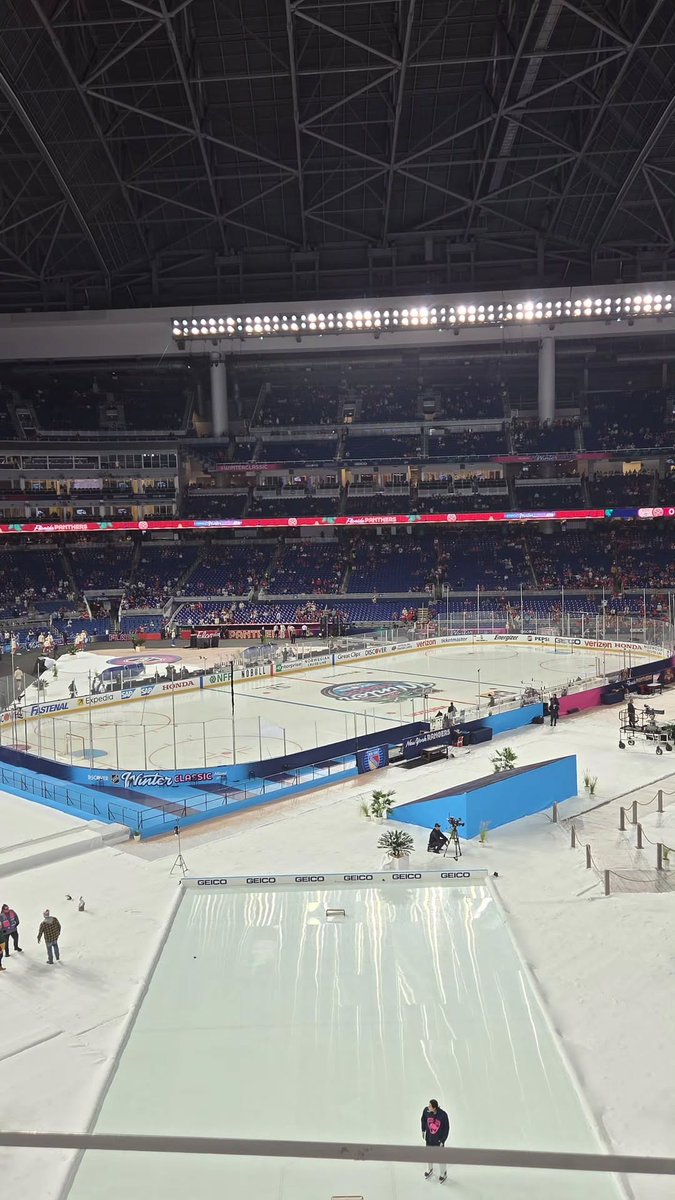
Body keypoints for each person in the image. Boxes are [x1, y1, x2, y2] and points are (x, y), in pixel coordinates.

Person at [421, 1098, 450, 1182]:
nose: (428, 1107)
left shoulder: (443, 1115)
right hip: (429, 1139)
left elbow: (446, 1128)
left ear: (434, 1108)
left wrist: (443, 1140)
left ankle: (443, 1173)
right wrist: (423, 1130)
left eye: (430, 1106)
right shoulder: (426, 1111)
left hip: (438, 1140)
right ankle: (430, 1169)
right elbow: (423, 1119)